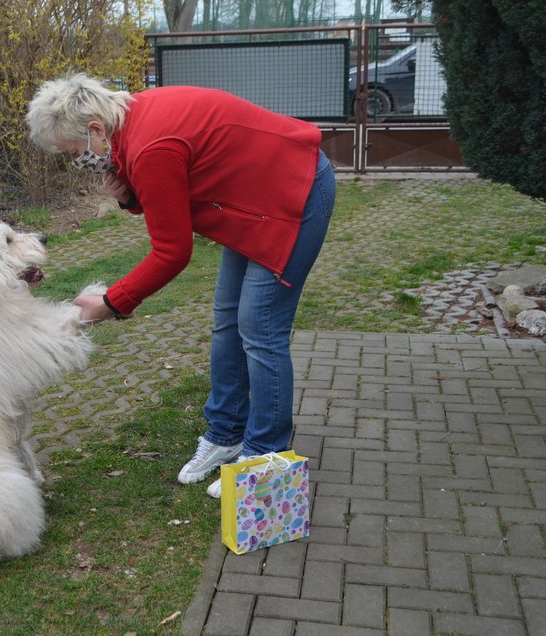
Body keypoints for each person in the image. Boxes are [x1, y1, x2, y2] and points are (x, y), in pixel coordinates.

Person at [26, 74, 335, 498]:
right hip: (253, 202)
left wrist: (111, 303)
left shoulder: (152, 145)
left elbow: (173, 251)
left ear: (95, 129)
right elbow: (168, 196)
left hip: (294, 190)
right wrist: (128, 196)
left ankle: (265, 456)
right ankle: (226, 434)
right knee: (229, 320)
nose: (79, 161)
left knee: (260, 328)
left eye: (75, 152)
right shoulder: (131, 122)